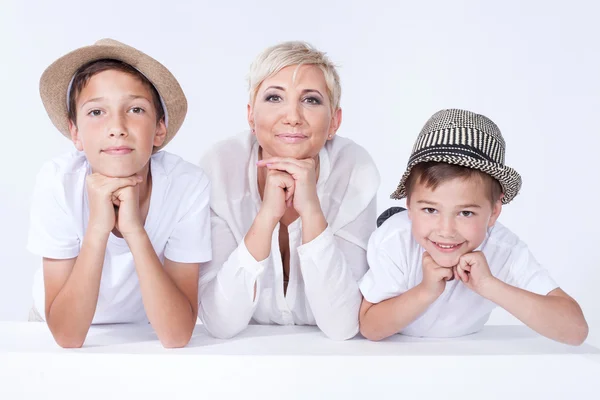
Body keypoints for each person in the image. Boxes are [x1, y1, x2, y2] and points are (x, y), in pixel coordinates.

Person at [28, 39, 212, 348]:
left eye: (136, 109)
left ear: (159, 130)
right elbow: (68, 337)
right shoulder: (58, 182)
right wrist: (98, 228)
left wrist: (133, 230)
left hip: (144, 328)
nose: (117, 127)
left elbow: (177, 335)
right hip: (56, 319)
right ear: (76, 133)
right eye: (97, 111)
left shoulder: (187, 184)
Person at [358, 109, 588, 345]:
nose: (446, 230)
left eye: (465, 213)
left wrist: (490, 285)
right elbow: (369, 327)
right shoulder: (394, 239)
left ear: (494, 212)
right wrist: (425, 291)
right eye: (430, 210)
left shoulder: (505, 249)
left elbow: (575, 331)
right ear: (408, 204)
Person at [198, 41, 380, 340]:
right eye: (274, 98)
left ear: (334, 120)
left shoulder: (355, 170)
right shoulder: (220, 167)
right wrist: (266, 216)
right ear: (250, 116)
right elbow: (220, 323)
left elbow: (342, 325)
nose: (293, 116)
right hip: (242, 363)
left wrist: (311, 211)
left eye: (310, 100)